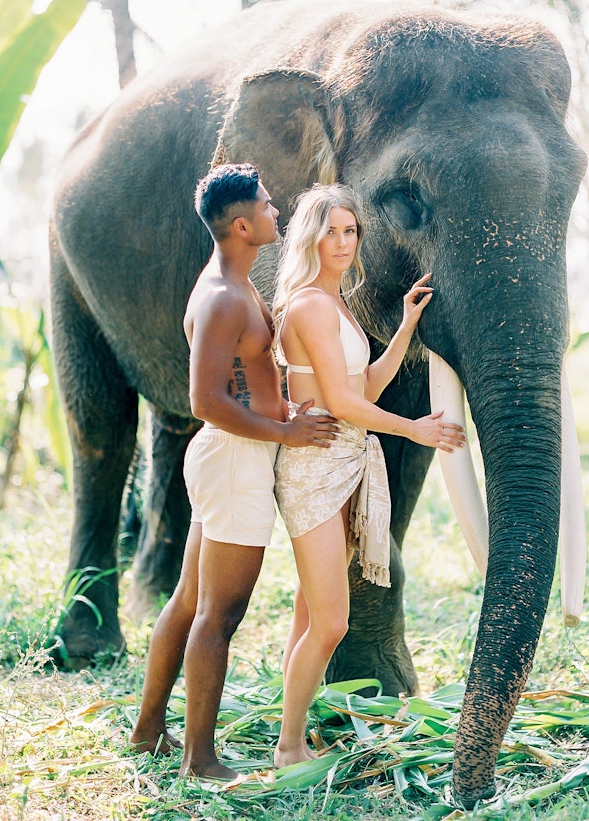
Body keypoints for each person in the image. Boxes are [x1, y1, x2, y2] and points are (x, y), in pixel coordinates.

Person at [129, 163, 337, 781]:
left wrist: (280, 411)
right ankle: (200, 758)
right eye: (269, 206)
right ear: (243, 225)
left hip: (234, 456)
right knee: (220, 613)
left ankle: (148, 733)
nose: (278, 212)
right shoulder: (223, 296)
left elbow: (248, 384)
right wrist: (284, 430)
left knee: (191, 599)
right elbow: (205, 400)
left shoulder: (235, 283)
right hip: (235, 459)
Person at [270, 183, 467, 768]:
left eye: (350, 230)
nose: (341, 241)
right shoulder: (308, 305)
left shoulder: (336, 306)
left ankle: (294, 730)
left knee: (310, 613)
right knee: (331, 622)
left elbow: (364, 389)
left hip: (343, 465)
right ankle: (288, 747)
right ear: (310, 236)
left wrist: (405, 325)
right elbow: (338, 401)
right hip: (313, 471)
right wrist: (415, 429)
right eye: (329, 230)